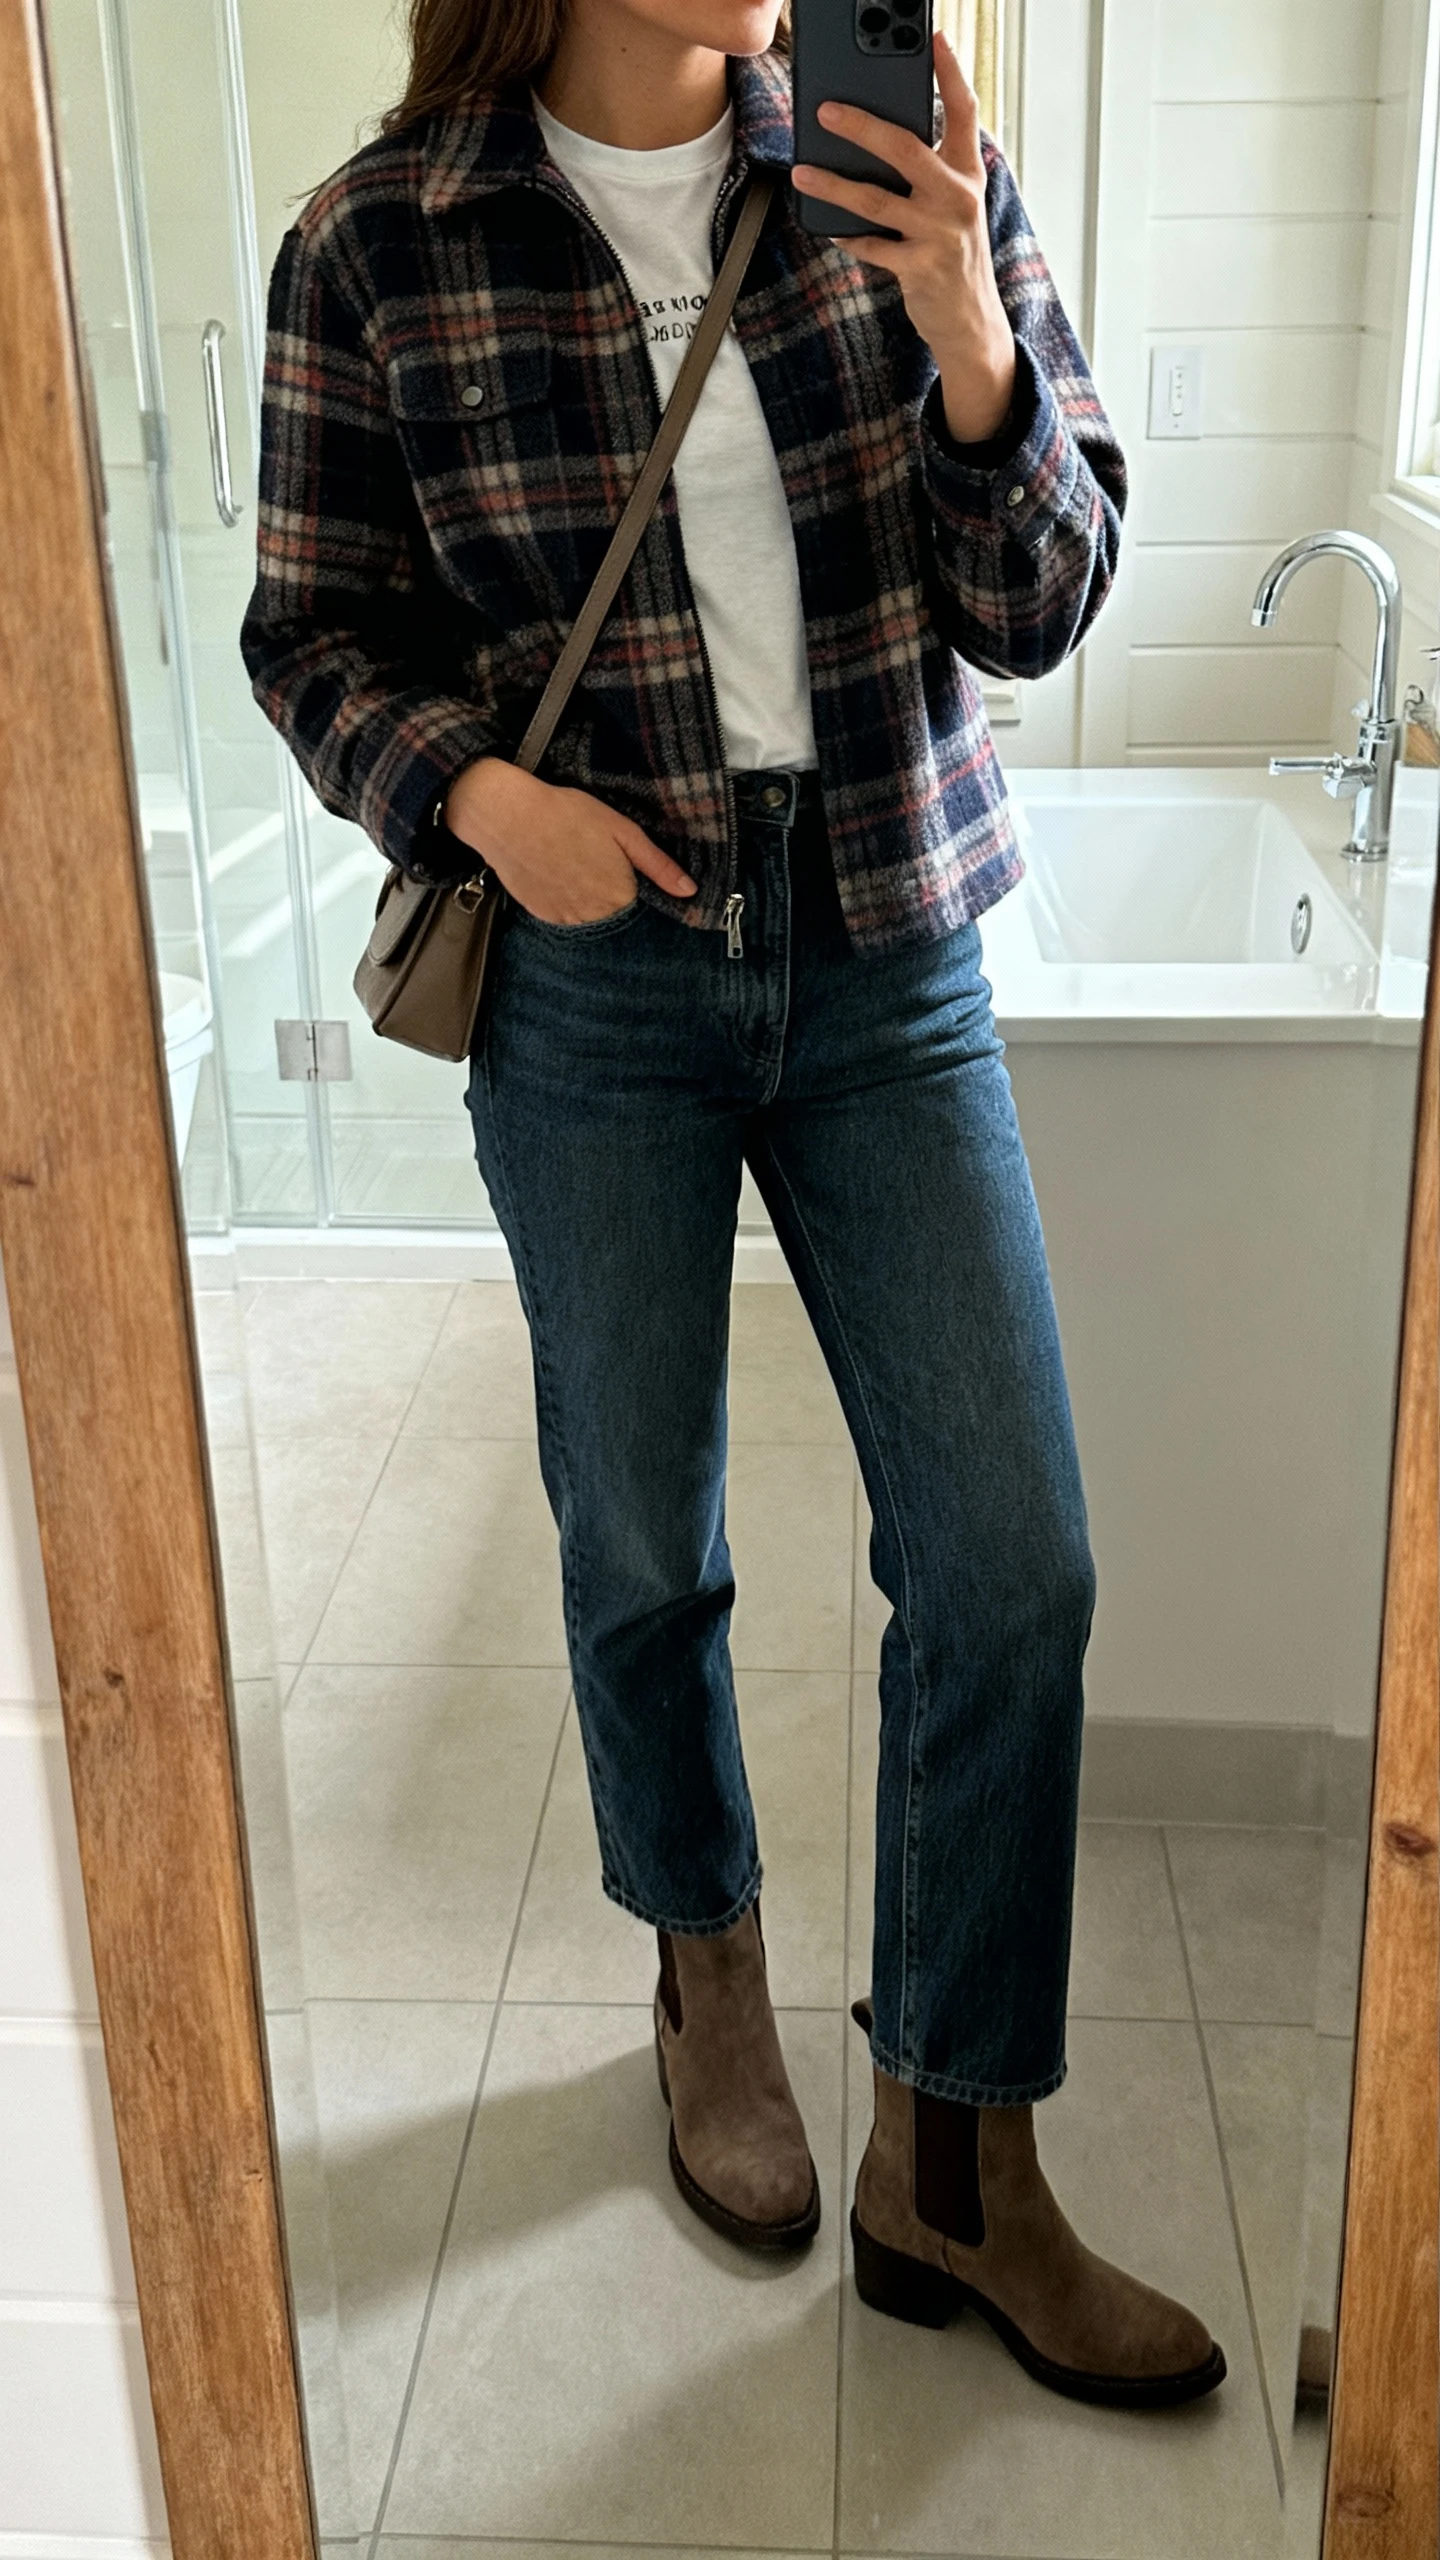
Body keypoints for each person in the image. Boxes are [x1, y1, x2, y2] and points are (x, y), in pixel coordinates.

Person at [242, 0, 1224, 2408]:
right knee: (639, 1529)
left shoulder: (908, 172)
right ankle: (705, 1971)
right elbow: (314, 631)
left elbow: (1043, 602)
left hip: (889, 937)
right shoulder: (382, 238)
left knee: (1013, 1559)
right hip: (596, 973)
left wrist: (975, 342)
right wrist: (481, 799)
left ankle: (956, 2163)